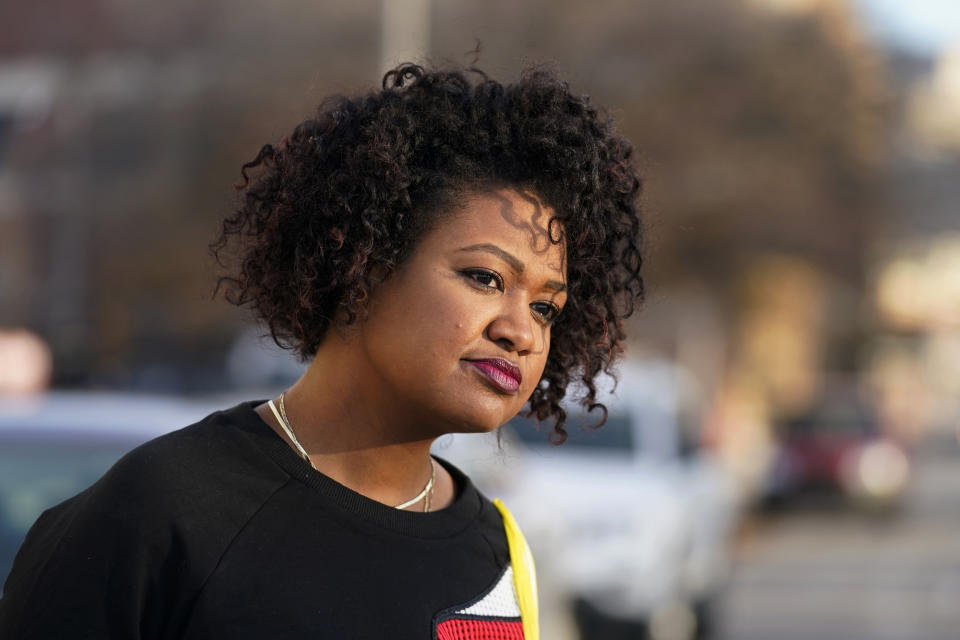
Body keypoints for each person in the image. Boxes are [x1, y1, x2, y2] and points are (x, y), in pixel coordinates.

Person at [0, 62, 643, 639]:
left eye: (545, 308)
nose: (521, 331)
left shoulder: (498, 554)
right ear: (364, 261)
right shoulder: (162, 516)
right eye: (484, 278)